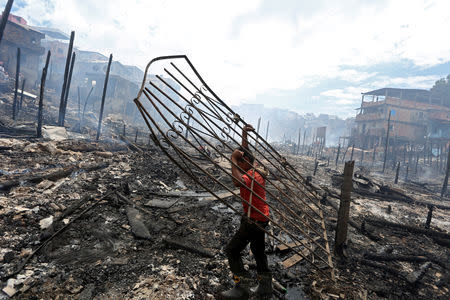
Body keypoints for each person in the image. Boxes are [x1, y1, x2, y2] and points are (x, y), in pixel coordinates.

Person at [219, 124, 272, 299]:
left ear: (246, 162)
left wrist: (232, 160)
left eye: (241, 162)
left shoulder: (252, 175)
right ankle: (265, 286)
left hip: (254, 220)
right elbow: (246, 152)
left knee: (232, 250)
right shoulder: (253, 166)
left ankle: (242, 288)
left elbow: (237, 182)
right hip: (261, 218)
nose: (239, 165)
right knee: (258, 251)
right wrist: (244, 134)